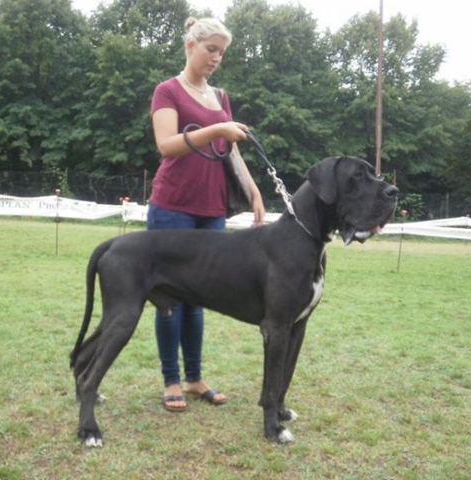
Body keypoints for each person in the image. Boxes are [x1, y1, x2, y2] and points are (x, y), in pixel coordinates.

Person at [148, 16, 265, 412]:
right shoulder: (167, 91)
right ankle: (171, 381)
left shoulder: (221, 97)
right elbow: (166, 145)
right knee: (169, 299)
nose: (216, 58)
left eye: (221, 52)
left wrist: (254, 192)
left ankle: (196, 378)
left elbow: (232, 150)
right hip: (172, 208)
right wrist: (218, 130)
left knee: (199, 298)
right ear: (190, 46)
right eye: (210, 49)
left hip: (212, 209)